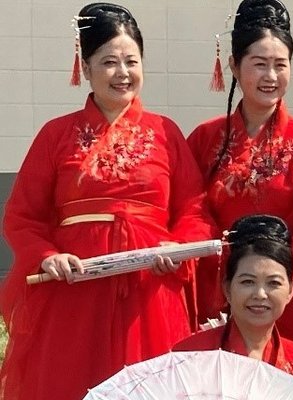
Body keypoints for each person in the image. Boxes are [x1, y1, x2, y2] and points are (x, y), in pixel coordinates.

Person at [0, 3, 213, 399]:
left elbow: (194, 210)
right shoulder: (55, 134)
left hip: (150, 286)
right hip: (75, 287)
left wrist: (178, 247)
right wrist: (48, 255)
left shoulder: (166, 133)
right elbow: (22, 216)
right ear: (86, 66)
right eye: (109, 61)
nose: (123, 73)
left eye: (132, 61)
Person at [186, 0, 293, 361]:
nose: (271, 76)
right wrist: (226, 275)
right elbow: (190, 209)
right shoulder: (204, 139)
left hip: (281, 291)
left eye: (280, 65)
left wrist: (274, 283)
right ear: (234, 67)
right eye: (259, 64)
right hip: (221, 283)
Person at [173, 215, 293, 398]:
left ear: (291, 289)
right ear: (227, 288)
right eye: (247, 282)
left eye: (274, 283)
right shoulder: (190, 355)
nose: (260, 294)